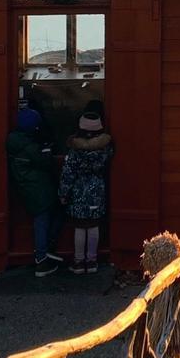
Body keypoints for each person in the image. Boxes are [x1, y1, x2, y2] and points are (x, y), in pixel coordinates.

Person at [6, 108, 63, 277]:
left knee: (43, 218)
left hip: (27, 187)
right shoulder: (29, 146)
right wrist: (47, 153)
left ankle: (45, 251)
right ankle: (42, 258)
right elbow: (45, 163)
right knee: (45, 219)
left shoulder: (14, 142)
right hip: (38, 188)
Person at [60, 104, 114, 274]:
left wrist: (63, 193)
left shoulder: (74, 150)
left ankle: (78, 261)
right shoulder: (105, 149)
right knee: (93, 226)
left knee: (79, 226)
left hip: (78, 189)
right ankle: (92, 261)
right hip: (97, 188)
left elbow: (68, 173)